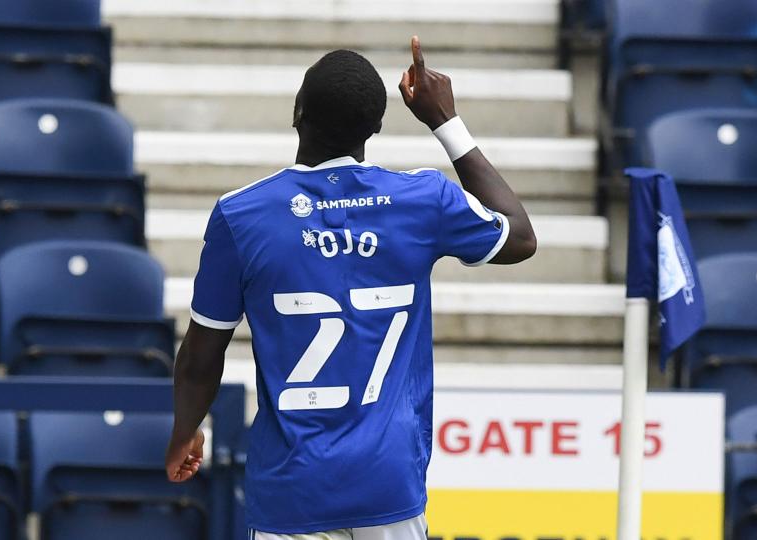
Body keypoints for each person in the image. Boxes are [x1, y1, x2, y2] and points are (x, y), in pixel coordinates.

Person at [165, 36, 537, 539]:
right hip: (388, 483)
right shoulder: (423, 199)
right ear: (377, 126)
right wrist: (445, 122)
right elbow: (520, 236)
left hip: (290, 488)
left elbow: (201, 353)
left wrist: (185, 431)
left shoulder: (242, 215)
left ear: (297, 112)